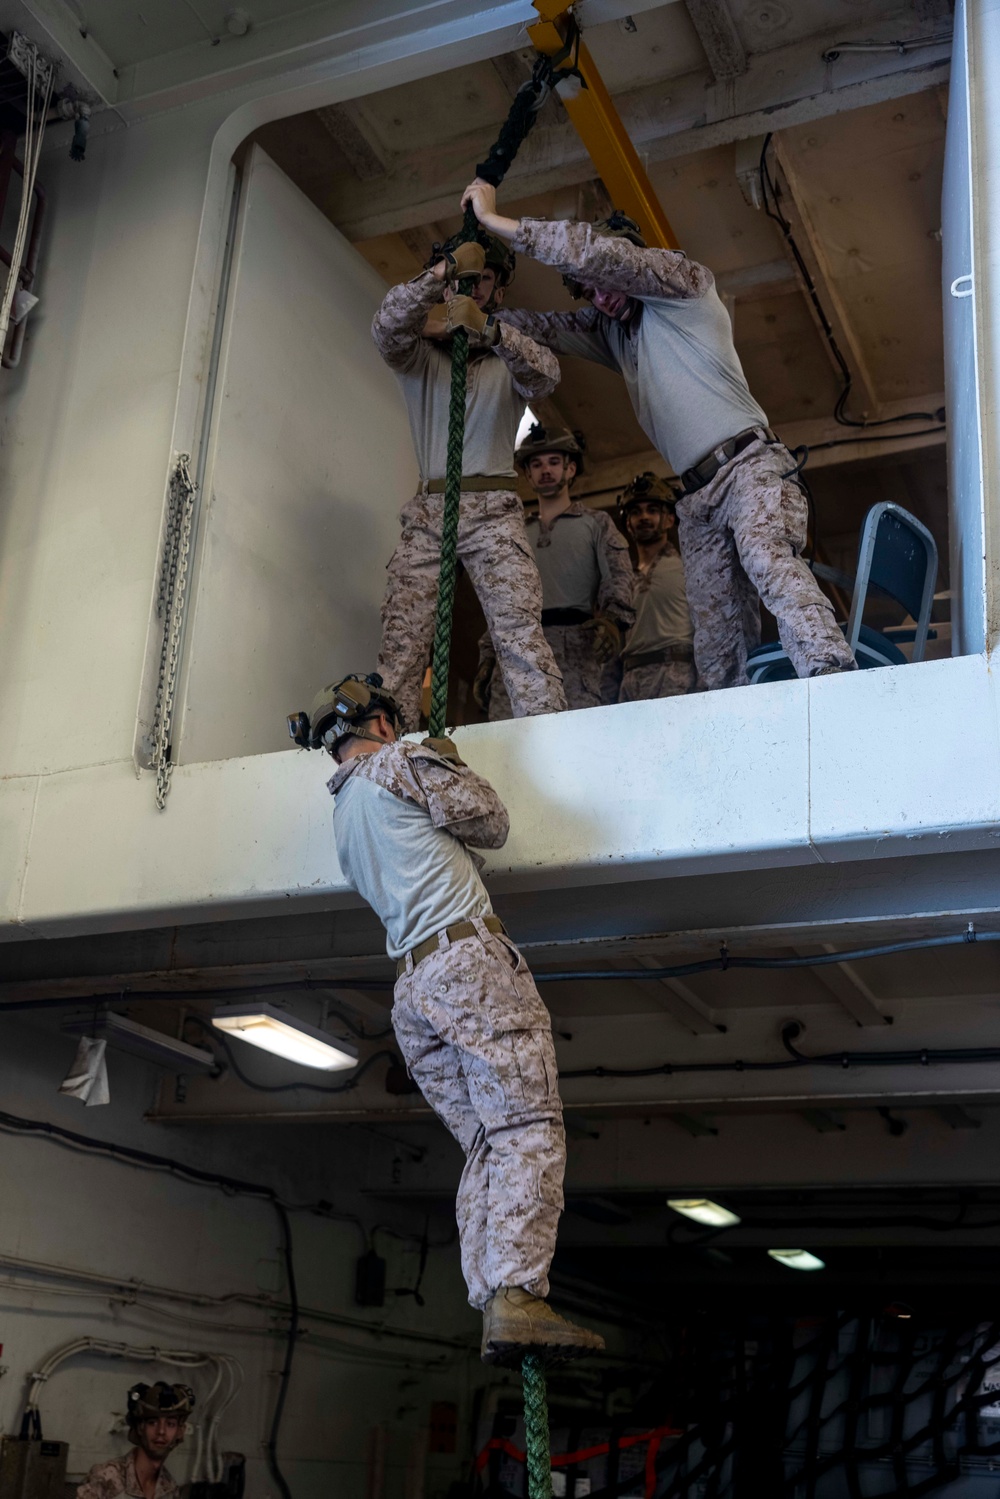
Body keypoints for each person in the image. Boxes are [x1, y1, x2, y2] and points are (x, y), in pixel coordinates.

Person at [296, 672, 604, 1363]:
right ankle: (518, 1292)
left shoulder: (344, 812)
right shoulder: (403, 760)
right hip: (468, 966)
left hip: (414, 989)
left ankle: (497, 1297)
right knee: (525, 1127)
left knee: (488, 1142)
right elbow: (491, 824)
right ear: (380, 725)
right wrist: (444, 753)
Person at [460, 179, 857, 691]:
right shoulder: (615, 331)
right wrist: (474, 313)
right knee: (715, 637)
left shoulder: (683, 287)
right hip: (697, 496)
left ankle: (832, 676)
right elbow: (542, 326)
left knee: (768, 559)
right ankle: (732, 719)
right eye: (588, 292)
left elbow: (598, 256)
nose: (600, 299)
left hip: (748, 466)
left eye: (603, 282)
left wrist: (497, 222)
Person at [372, 232, 567, 729]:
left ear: (498, 291)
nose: (471, 287)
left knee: (520, 636)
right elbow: (387, 327)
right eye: (463, 279)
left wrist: (493, 332)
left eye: (481, 280)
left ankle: (552, 740)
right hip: (431, 510)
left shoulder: (509, 360)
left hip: (494, 510)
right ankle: (397, 762)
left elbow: (546, 375)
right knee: (402, 647)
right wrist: (440, 272)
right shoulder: (418, 356)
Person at [475, 424, 634, 717]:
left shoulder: (596, 524)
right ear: (528, 475)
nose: (545, 470)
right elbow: (498, 599)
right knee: (509, 739)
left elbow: (619, 575)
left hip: (575, 647)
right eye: (536, 464)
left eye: (553, 462)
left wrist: (613, 620)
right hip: (514, 646)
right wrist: (487, 654)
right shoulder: (513, 532)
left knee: (574, 737)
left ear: (570, 469)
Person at [617, 473, 697, 702]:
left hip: (676, 676)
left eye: (653, 510)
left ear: (670, 519)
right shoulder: (620, 581)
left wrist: (704, 686)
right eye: (635, 512)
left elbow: (707, 629)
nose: (644, 517)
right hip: (630, 683)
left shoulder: (688, 568)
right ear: (627, 524)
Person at [77, 1383, 194, 1499]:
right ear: (140, 1428)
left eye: (170, 1424)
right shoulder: (106, 1478)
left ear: (180, 1432)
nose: (161, 1431)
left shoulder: (169, 1489)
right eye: (152, 1422)